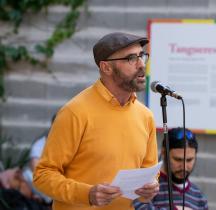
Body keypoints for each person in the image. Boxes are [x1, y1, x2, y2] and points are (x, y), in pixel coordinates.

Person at [33, 32, 159, 210]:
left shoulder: (146, 116)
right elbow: (43, 175)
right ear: (106, 68)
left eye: (142, 56)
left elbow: (150, 173)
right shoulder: (74, 112)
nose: (141, 65)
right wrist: (87, 194)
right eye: (131, 58)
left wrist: (150, 188)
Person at [133, 127, 209, 210]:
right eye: (178, 159)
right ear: (163, 152)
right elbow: (137, 207)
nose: (184, 166)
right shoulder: (149, 185)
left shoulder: (199, 197)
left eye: (189, 160)